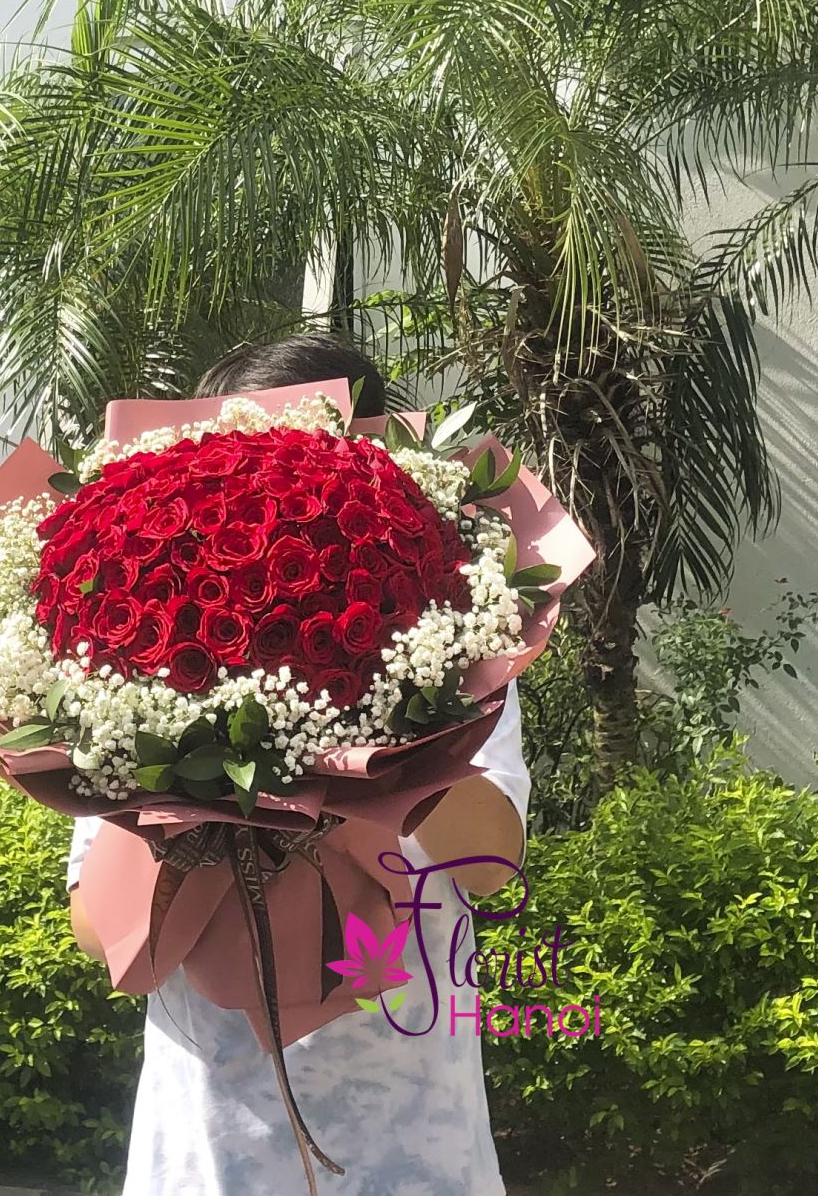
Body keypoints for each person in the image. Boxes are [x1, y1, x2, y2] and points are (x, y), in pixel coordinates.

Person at [68, 332, 530, 1196]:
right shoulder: (128, 671)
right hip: (207, 1156)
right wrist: (183, 775)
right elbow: (102, 938)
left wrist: (368, 750)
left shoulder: (461, 659)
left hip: (411, 1149)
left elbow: (494, 863)